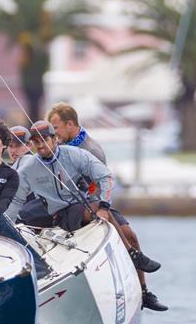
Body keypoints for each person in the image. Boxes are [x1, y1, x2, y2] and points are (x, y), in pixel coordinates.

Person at [5, 121, 167, 311]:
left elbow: (105, 176)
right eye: (35, 142)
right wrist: (6, 227)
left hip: (93, 205)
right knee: (95, 208)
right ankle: (134, 255)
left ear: (54, 139)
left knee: (129, 234)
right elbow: (16, 201)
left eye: (45, 140)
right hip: (64, 214)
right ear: (31, 144)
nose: (41, 145)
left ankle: (144, 292)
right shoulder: (29, 168)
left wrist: (105, 206)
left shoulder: (74, 155)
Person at [48, 102, 167, 311]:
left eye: (55, 128)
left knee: (129, 234)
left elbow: (99, 187)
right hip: (65, 204)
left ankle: (144, 291)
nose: (53, 133)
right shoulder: (54, 148)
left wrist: (98, 206)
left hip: (92, 201)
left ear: (69, 124)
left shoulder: (91, 150)